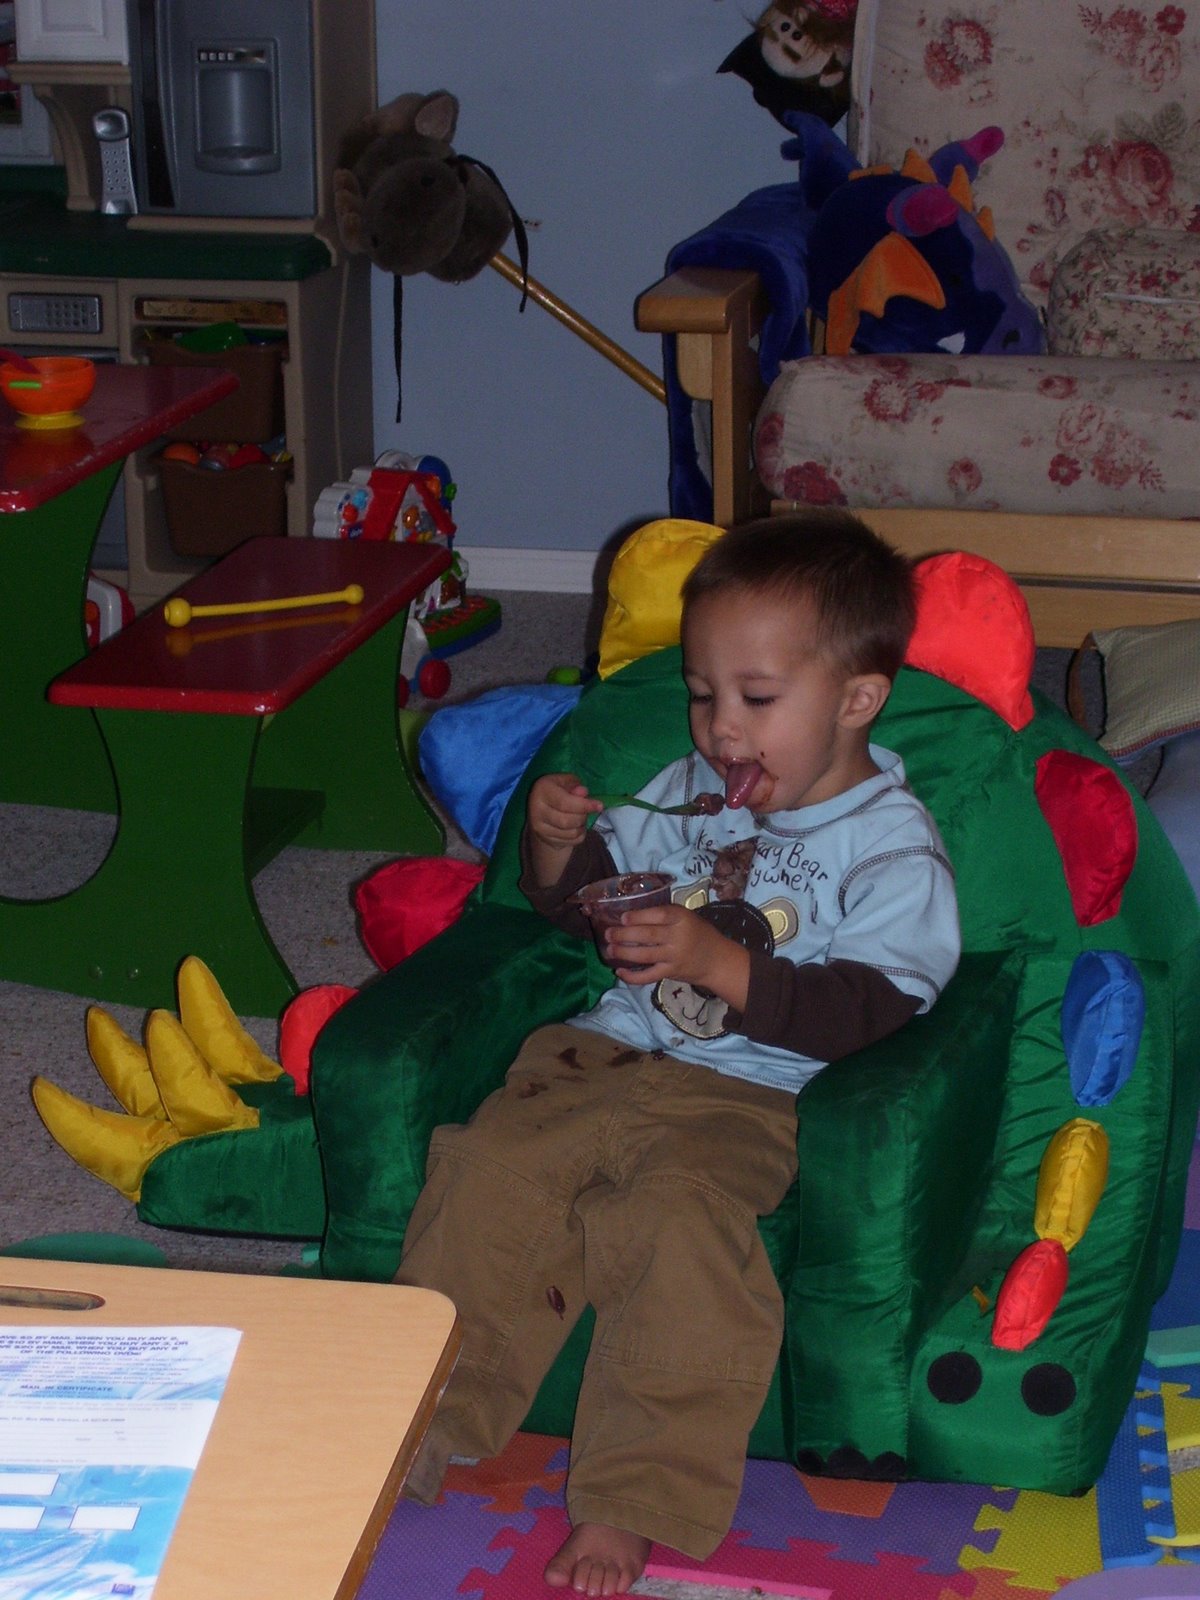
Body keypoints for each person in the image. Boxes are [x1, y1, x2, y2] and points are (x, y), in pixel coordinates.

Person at [395, 510, 961, 1596]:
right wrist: (557, 849)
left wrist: (719, 961)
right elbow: (587, 905)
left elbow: (877, 1007)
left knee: (680, 1234)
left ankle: (632, 1500)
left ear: (856, 700)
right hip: (597, 1055)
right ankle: (419, 1423)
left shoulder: (891, 846)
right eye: (703, 695)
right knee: (486, 1173)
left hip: (747, 1098)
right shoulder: (685, 791)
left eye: (757, 699)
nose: (720, 729)